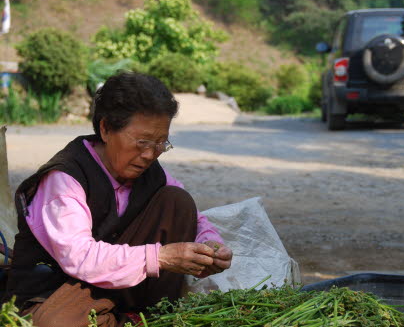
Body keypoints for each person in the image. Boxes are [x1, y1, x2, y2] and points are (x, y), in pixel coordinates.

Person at [3, 72, 233, 326]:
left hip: (116, 288)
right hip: (57, 289)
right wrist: (161, 257)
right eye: (142, 141)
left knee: (177, 201)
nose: (149, 154)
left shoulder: (152, 174)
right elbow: (79, 257)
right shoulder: (65, 178)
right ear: (105, 128)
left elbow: (195, 219)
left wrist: (209, 245)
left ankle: (148, 315)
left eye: (160, 143)